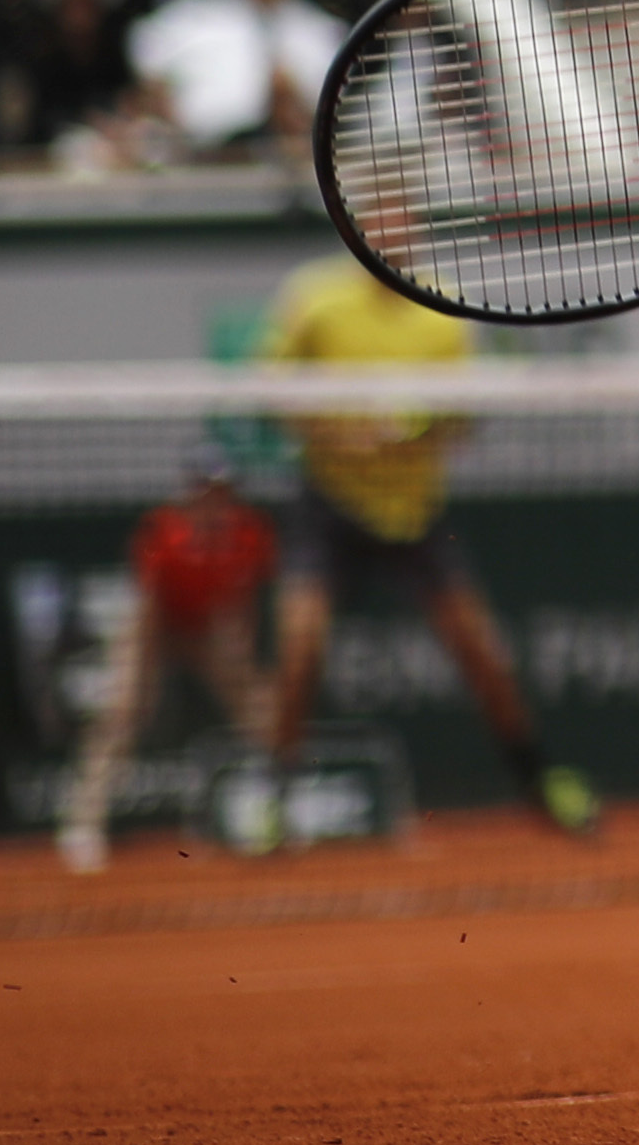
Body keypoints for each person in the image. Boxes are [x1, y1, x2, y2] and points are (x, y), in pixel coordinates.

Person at [250, 256, 599, 845]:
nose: (390, 232)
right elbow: (272, 391)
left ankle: (540, 782)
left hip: (413, 511)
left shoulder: (444, 311)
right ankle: (275, 800)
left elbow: (458, 422)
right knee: (300, 649)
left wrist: (409, 434)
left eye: (399, 218)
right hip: (328, 506)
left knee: (483, 654)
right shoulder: (313, 298)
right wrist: (341, 436)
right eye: (377, 218)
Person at [54, 454, 273, 873]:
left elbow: (245, 598)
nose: (214, 499)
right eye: (205, 490)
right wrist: (136, 677)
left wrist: (239, 658)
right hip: (153, 625)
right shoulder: (164, 530)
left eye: (222, 491)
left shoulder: (250, 531)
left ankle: (278, 808)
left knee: (261, 707)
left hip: (208, 625)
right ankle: (83, 826)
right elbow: (148, 601)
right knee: (120, 716)